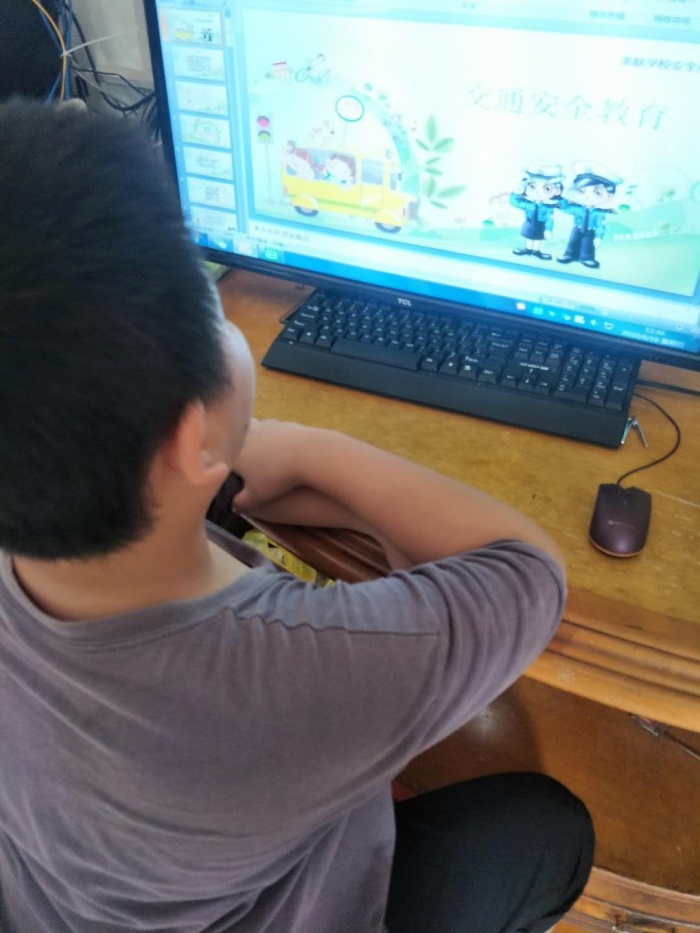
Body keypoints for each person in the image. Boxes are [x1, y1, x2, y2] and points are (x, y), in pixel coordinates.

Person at [0, 98, 593, 933]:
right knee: (548, 829)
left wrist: (217, 470)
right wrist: (316, 448)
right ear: (190, 435)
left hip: (58, 905)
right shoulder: (304, 672)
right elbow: (528, 571)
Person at [557, 161, 623, 269]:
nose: (587, 196)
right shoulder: (578, 208)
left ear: (610, 195)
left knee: (587, 244)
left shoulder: (599, 212)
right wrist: (561, 199)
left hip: (591, 231)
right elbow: (567, 209)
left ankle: (587, 258)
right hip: (577, 228)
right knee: (573, 241)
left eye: (597, 192)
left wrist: (599, 236)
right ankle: (570, 255)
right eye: (581, 191)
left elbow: (601, 225)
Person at [509, 162, 565, 261]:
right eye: (532, 186)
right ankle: (528, 249)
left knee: (538, 238)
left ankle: (536, 251)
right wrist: (516, 192)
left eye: (547, 188)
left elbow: (550, 219)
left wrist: (548, 229)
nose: (537, 192)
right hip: (529, 222)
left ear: (556, 190)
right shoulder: (528, 205)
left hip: (540, 224)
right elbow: (515, 202)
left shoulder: (547, 207)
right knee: (529, 237)